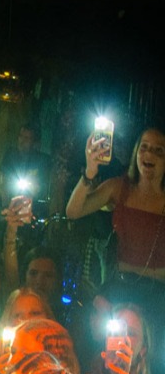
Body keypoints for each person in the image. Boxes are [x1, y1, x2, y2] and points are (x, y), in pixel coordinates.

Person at [66, 125, 165, 355]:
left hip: (158, 295)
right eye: (144, 148)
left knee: (154, 364)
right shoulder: (119, 187)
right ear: (136, 153)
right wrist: (90, 170)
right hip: (120, 288)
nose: (149, 155)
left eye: (158, 151)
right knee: (102, 354)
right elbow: (73, 211)